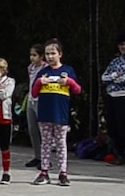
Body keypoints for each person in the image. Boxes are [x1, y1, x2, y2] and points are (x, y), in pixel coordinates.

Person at [31, 40, 82, 186]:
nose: (50, 56)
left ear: (60, 54)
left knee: (60, 143)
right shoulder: (43, 72)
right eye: (47, 54)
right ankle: (44, 172)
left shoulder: (68, 70)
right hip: (45, 113)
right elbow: (34, 94)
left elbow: (78, 90)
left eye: (53, 53)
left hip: (61, 113)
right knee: (46, 142)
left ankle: (63, 173)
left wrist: (69, 82)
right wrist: (40, 82)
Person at [101, 33, 125, 169]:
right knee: (113, 127)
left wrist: (114, 78)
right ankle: (120, 155)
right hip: (111, 96)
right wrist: (113, 76)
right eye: (122, 44)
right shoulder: (115, 61)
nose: (124, 47)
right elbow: (104, 77)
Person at [25, 44, 46, 168]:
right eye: (31, 55)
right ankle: (37, 156)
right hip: (31, 100)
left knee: (43, 130)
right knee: (33, 130)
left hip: (41, 100)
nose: (32, 58)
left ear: (41, 56)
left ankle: (45, 157)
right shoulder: (31, 68)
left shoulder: (46, 68)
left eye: (35, 55)